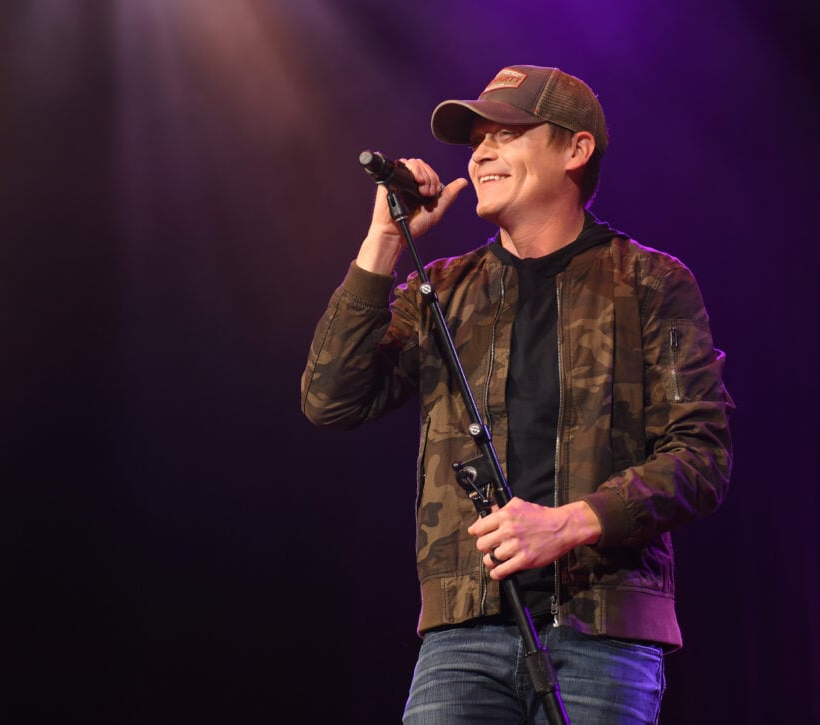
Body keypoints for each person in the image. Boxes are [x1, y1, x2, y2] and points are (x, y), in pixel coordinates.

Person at [301, 65, 733, 724]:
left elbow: (701, 456)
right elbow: (330, 396)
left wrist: (569, 522)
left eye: (506, 133)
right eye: (476, 139)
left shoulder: (648, 282)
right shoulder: (443, 288)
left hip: (602, 632)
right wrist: (387, 239)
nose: (479, 154)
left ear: (575, 148)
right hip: (463, 634)